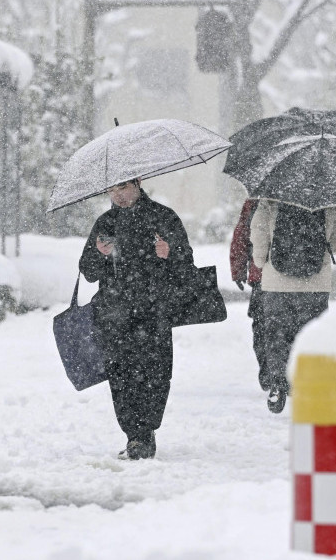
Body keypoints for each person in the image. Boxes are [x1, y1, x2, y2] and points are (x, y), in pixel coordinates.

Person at [79, 178, 194, 460]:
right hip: (114, 314)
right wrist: (99, 254)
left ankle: (147, 430)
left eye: (123, 188)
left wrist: (170, 254)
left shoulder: (163, 218)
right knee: (121, 375)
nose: (117, 195)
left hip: (154, 312)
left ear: (138, 184)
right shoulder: (105, 223)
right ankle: (135, 435)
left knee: (155, 373)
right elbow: (88, 271)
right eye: (111, 189)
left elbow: (187, 267)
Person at [250, 200, 336, 413]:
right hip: (315, 283)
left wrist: (261, 261)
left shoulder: (270, 198)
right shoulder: (331, 199)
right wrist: (320, 252)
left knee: (277, 334)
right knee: (311, 334)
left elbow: (258, 234)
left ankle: (278, 383)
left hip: (276, 283)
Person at [229, 199, 267, 393]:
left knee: (263, 329)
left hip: (263, 276)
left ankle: (270, 373)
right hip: (304, 279)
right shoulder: (308, 195)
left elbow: (242, 236)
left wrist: (238, 270)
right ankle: (290, 373)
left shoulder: (256, 200)